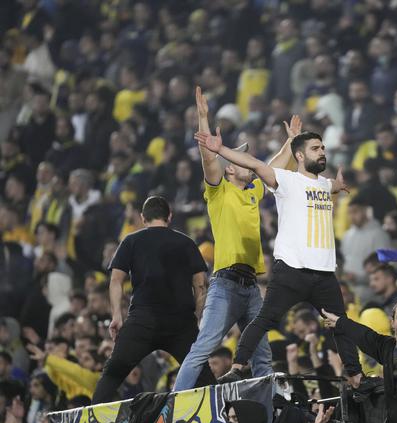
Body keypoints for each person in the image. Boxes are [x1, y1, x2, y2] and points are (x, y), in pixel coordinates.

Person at [194, 127, 368, 390]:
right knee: (265, 320)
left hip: (323, 274)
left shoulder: (323, 183)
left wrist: (338, 185)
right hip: (291, 271)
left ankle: (356, 377)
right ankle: (238, 367)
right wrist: (220, 150)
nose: (322, 152)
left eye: (322, 148)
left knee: (340, 324)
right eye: (315, 149)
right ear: (299, 155)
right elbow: (253, 163)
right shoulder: (285, 180)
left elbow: (329, 185)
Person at [173, 86, 294, 391]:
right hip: (225, 284)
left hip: (251, 286)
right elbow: (208, 158)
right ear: (230, 170)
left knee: (263, 356)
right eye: (242, 159)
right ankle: (174, 405)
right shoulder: (218, 190)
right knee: (204, 347)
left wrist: (292, 143)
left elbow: (273, 165)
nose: (248, 161)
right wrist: (202, 118)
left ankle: (267, 415)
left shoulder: (252, 191)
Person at [91, 196, 214, 403]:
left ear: (142, 218)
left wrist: (116, 316)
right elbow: (200, 284)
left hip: (142, 322)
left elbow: (115, 280)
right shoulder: (186, 242)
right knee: (205, 379)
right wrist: (196, 317)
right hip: (181, 324)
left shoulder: (131, 240)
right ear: (170, 216)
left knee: (112, 374)